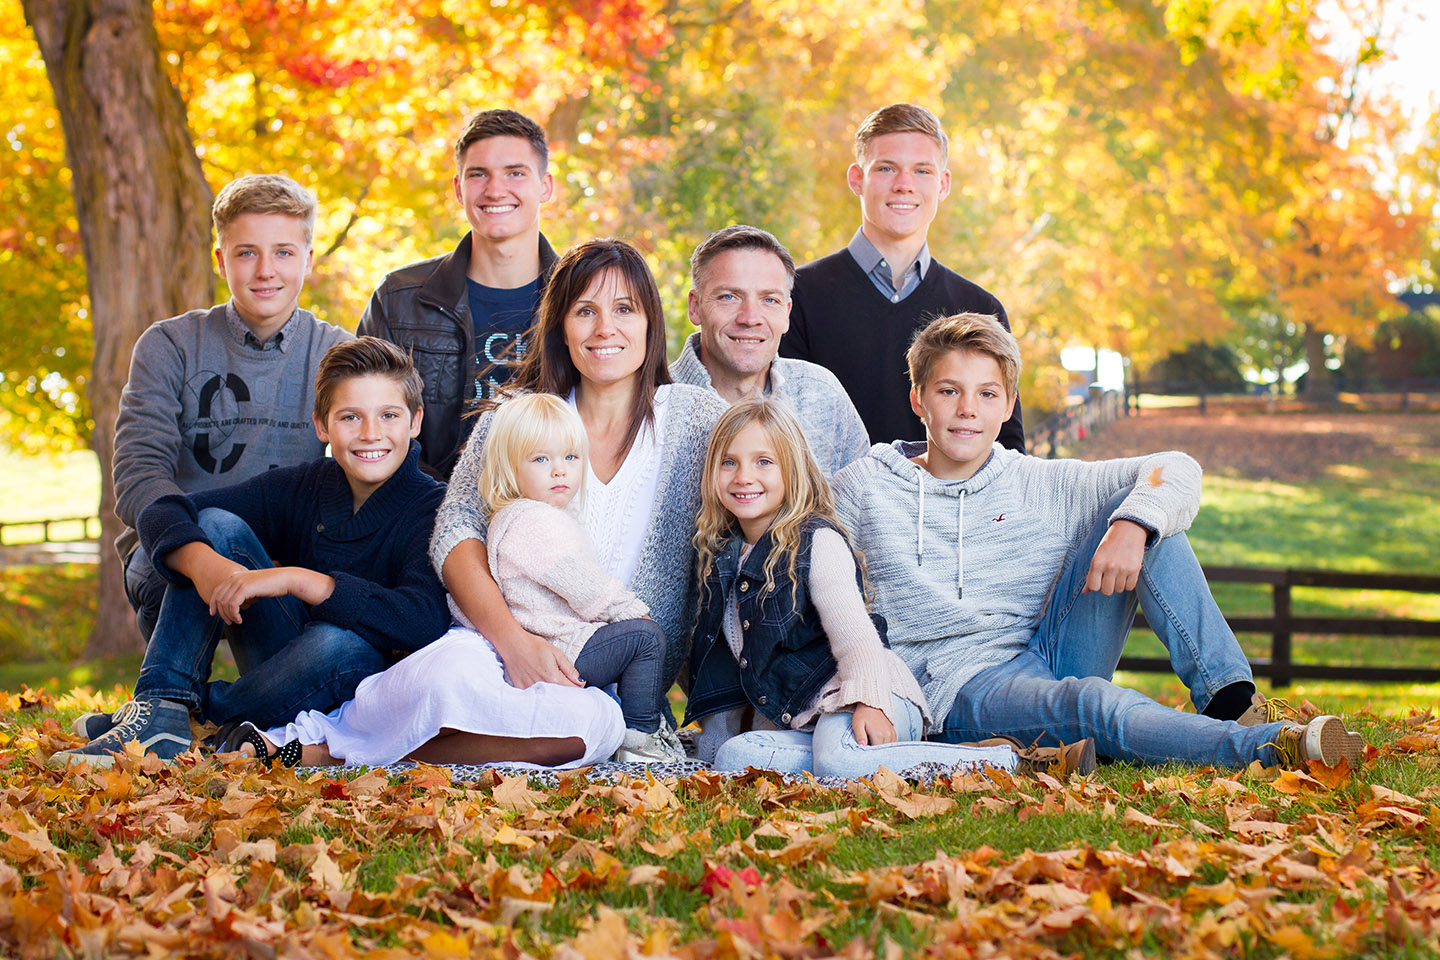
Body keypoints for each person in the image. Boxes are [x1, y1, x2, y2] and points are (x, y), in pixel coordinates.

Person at [235, 239, 726, 770]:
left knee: (589, 731)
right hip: (496, 645)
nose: (605, 328)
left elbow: (753, 517)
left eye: (624, 309)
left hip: (604, 673)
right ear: (561, 325)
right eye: (585, 311)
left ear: (651, 322)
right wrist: (514, 644)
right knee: (447, 679)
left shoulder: (696, 421)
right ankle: (325, 738)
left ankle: (331, 752)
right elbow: (454, 532)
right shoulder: (514, 414)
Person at [830, 312, 1367, 769]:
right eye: (949, 391)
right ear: (919, 398)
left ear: (1008, 403)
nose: (968, 408)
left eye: (986, 393)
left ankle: (1231, 700)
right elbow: (801, 559)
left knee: (1146, 513)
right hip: (957, 688)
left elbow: (1173, 467)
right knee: (1093, 704)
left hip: (1048, 651)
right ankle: (1270, 748)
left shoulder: (1038, 483)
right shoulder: (865, 487)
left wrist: (1133, 524)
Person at [52, 338, 451, 767]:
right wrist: (203, 565)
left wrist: (301, 580)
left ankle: (191, 716)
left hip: (359, 687)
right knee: (216, 526)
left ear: (415, 422)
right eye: (350, 417)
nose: (371, 433)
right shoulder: (307, 485)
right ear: (321, 426)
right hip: (281, 665)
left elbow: (423, 620)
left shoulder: (431, 506)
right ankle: (162, 704)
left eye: (388, 415)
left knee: (339, 643)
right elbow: (165, 509)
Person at [684, 398, 1021, 778]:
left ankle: (995, 761)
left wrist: (871, 702)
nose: (744, 476)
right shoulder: (723, 555)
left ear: (792, 472)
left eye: (764, 462)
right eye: (729, 462)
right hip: (809, 722)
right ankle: (856, 761)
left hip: (869, 694)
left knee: (838, 760)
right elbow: (731, 666)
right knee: (735, 757)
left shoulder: (816, 542)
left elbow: (856, 636)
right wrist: (711, 753)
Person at [113, 174, 351, 644]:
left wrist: (291, 564)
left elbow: (364, 466)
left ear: (308, 257)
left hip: (283, 556)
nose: (265, 270)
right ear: (222, 261)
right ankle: (171, 702)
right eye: (247, 253)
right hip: (177, 549)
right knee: (206, 531)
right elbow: (139, 471)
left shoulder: (340, 354)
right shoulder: (170, 344)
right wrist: (203, 558)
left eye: (283, 252)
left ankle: (217, 709)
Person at [780, 104, 1025, 450]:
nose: (904, 185)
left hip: (946, 505)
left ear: (943, 184)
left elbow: (1007, 451)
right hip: (831, 503)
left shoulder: (979, 308)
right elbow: (775, 431)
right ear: (856, 179)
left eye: (922, 171)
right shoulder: (797, 297)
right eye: (886, 168)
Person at [358, 108, 559, 479]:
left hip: (550, 510)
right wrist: (440, 507)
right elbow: (368, 424)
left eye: (515, 173)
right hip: (422, 509)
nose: (496, 189)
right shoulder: (399, 299)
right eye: (478, 174)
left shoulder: (579, 299)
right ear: (458, 188)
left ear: (545, 186)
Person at [668, 225, 869, 477]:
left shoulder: (822, 395)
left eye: (769, 300)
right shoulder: (652, 403)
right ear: (695, 307)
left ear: (786, 313)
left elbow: (865, 509)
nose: (750, 318)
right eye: (729, 297)